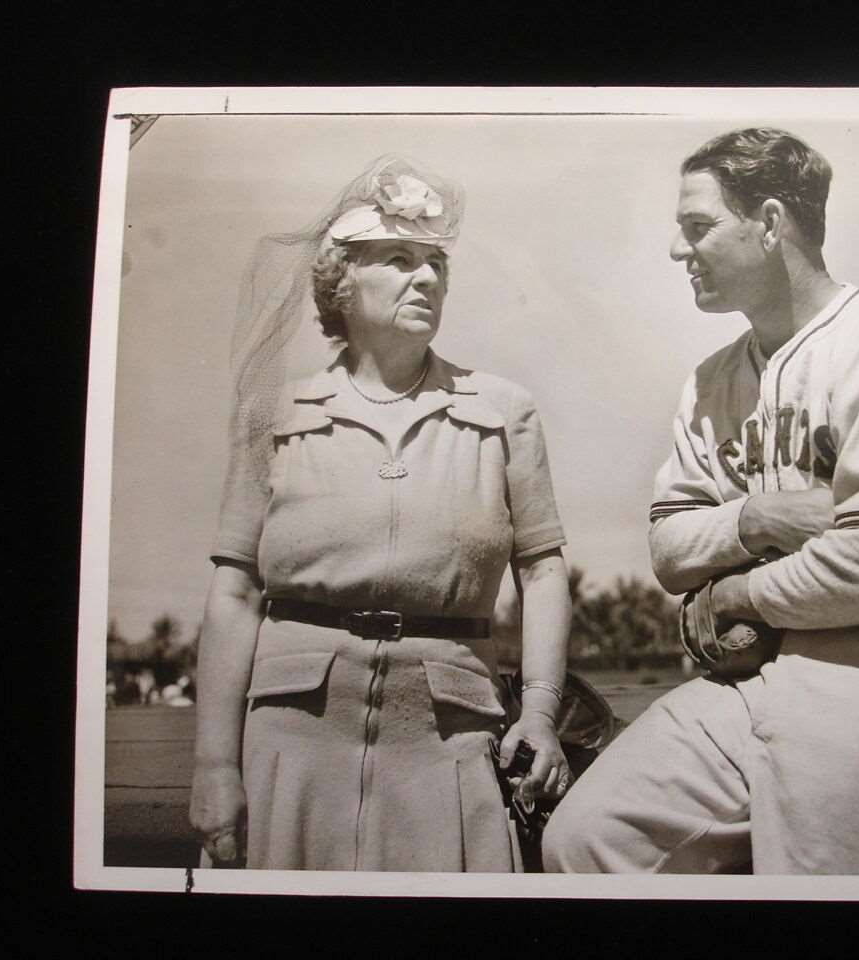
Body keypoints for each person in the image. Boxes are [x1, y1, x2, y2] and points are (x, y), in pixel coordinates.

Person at [543, 128, 859, 875]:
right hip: (772, 670)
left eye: (697, 226)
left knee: (828, 887)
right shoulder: (711, 379)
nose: (678, 250)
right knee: (589, 837)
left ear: (771, 222)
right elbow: (670, 552)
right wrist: (758, 518)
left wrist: (735, 593)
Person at [188, 155, 573, 871]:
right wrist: (215, 766)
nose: (426, 278)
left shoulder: (503, 411)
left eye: (435, 264)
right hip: (289, 747)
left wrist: (541, 714)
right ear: (342, 279)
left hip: (451, 741)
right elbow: (235, 592)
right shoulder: (273, 413)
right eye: (398, 260)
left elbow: (544, 571)